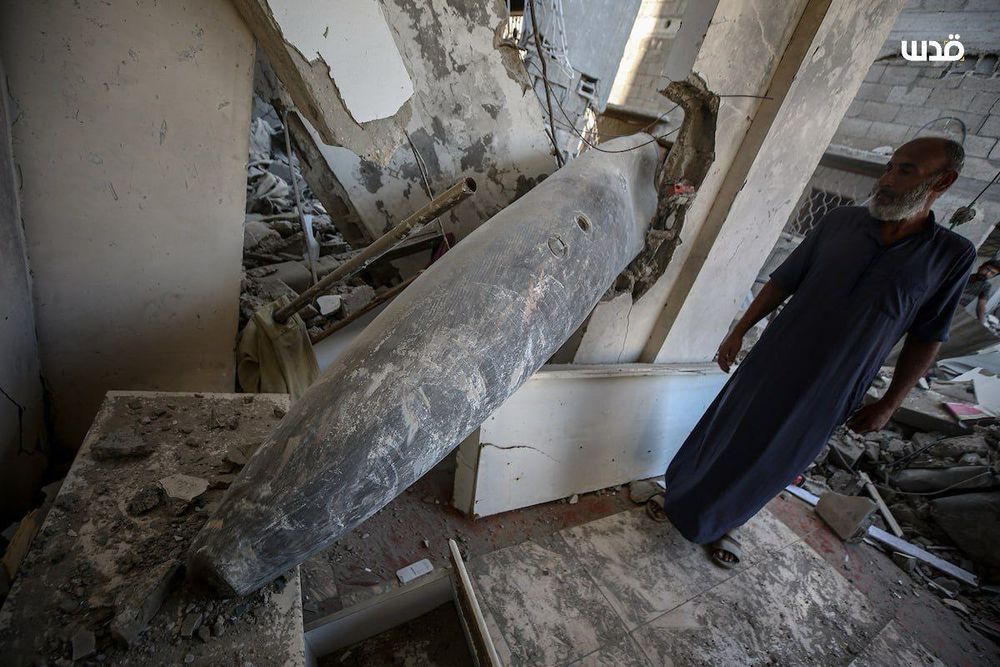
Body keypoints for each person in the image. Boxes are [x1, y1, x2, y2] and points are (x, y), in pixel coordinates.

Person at [646, 137, 975, 568]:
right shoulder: (841, 222)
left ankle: (726, 520)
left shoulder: (951, 255)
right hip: (776, 356)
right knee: (727, 429)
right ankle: (678, 494)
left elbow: (928, 336)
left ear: (942, 182)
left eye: (905, 171)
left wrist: (889, 404)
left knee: (778, 457)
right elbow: (784, 280)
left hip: (836, 382)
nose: (888, 179)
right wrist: (739, 331)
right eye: (890, 167)